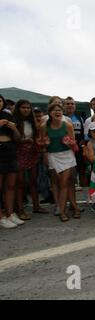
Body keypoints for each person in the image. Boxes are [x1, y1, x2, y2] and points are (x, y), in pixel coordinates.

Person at [37, 101, 78, 222]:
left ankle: (62, 211)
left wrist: (69, 142)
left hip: (67, 155)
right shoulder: (44, 126)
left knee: (64, 183)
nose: (58, 112)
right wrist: (44, 144)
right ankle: (74, 208)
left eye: (59, 110)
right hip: (53, 156)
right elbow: (40, 142)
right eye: (55, 110)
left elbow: (73, 142)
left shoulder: (68, 125)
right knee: (60, 183)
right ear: (49, 113)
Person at [13, 100, 48, 220]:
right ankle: (20, 210)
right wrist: (24, 141)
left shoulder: (32, 122)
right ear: (18, 108)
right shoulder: (14, 122)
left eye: (28, 107)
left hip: (32, 153)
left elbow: (37, 137)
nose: (26, 109)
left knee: (33, 181)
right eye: (23, 107)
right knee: (21, 183)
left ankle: (36, 206)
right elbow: (14, 139)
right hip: (19, 153)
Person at [0, 94, 23, 229]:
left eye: (0, 100)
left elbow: (18, 137)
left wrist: (14, 128)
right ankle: (1, 217)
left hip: (10, 150)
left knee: (10, 185)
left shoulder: (7, 115)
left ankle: (10, 213)